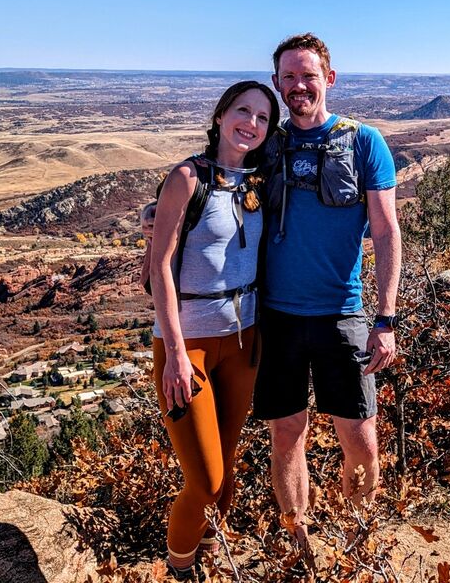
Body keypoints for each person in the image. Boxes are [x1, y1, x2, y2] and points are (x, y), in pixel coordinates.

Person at [253, 33, 401, 547]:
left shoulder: (364, 142)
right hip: (276, 317)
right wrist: (159, 216)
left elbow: (385, 231)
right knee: (286, 436)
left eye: (308, 75)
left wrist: (386, 318)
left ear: (329, 79)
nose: (299, 86)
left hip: (344, 314)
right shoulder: (266, 147)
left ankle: (359, 544)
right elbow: (214, 183)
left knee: (360, 440)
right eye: (288, 77)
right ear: (277, 84)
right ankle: (302, 542)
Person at [149, 80, 280, 579]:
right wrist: (177, 354)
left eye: (263, 118)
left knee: (227, 475)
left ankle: (206, 559)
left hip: (245, 343)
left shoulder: (259, 180)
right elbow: (160, 265)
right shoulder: (187, 176)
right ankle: (179, 570)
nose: (252, 123)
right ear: (222, 114)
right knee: (204, 480)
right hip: (190, 347)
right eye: (243, 111)